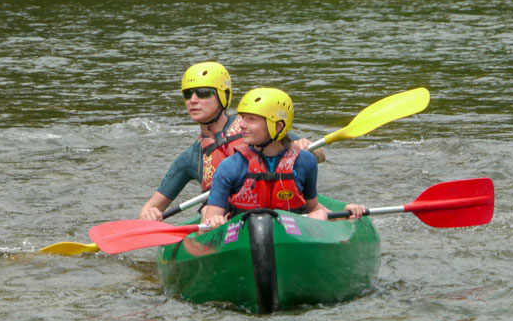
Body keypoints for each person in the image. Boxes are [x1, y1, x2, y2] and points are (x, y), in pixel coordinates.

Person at [138, 62, 323, 220]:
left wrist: (306, 148)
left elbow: (320, 156)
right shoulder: (192, 157)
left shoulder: (256, 126)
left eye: (202, 93)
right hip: (223, 217)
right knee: (205, 212)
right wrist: (149, 214)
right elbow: (150, 208)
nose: (193, 101)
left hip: (279, 203)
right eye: (188, 94)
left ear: (223, 95)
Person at [201, 87, 366, 229]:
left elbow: (313, 207)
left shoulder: (305, 162)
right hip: (244, 233)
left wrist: (345, 215)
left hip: (292, 233)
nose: (241, 124)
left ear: (278, 126)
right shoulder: (230, 166)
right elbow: (206, 226)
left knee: (320, 215)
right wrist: (214, 221)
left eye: (251, 119)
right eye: (242, 118)